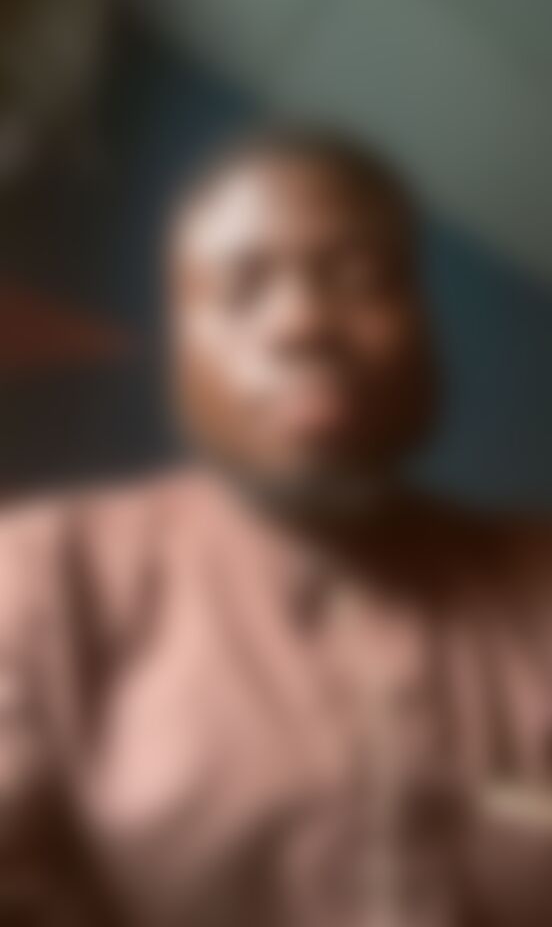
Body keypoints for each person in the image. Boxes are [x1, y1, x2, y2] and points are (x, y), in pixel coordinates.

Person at [0, 128, 551, 926]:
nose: (301, 323)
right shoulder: (42, 571)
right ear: (181, 351)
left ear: (425, 325)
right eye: (240, 290)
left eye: (359, 279)